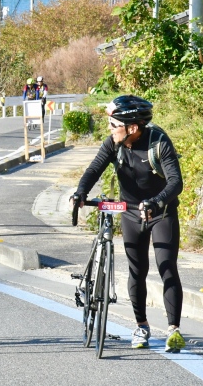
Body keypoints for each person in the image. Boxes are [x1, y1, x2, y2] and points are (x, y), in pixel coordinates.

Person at [71, 95, 185, 353]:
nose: (109, 129)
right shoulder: (114, 143)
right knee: (137, 270)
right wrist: (80, 192)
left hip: (161, 211)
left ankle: (173, 331)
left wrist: (155, 202)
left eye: (114, 124)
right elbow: (94, 169)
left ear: (132, 127)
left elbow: (175, 183)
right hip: (130, 212)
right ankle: (141, 326)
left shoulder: (159, 143)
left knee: (166, 267)